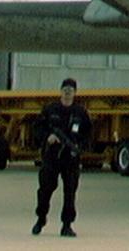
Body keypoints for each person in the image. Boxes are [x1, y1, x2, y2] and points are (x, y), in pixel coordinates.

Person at [32, 78, 91, 238]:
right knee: (45, 189)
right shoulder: (50, 109)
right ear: (60, 91)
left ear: (75, 93)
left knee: (70, 191)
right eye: (65, 89)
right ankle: (41, 218)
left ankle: (67, 225)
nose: (67, 93)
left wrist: (80, 147)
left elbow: (87, 134)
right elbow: (37, 128)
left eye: (70, 90)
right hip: (51, 157)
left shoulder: (80, 112)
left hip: (70, 159)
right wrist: (47, 137)